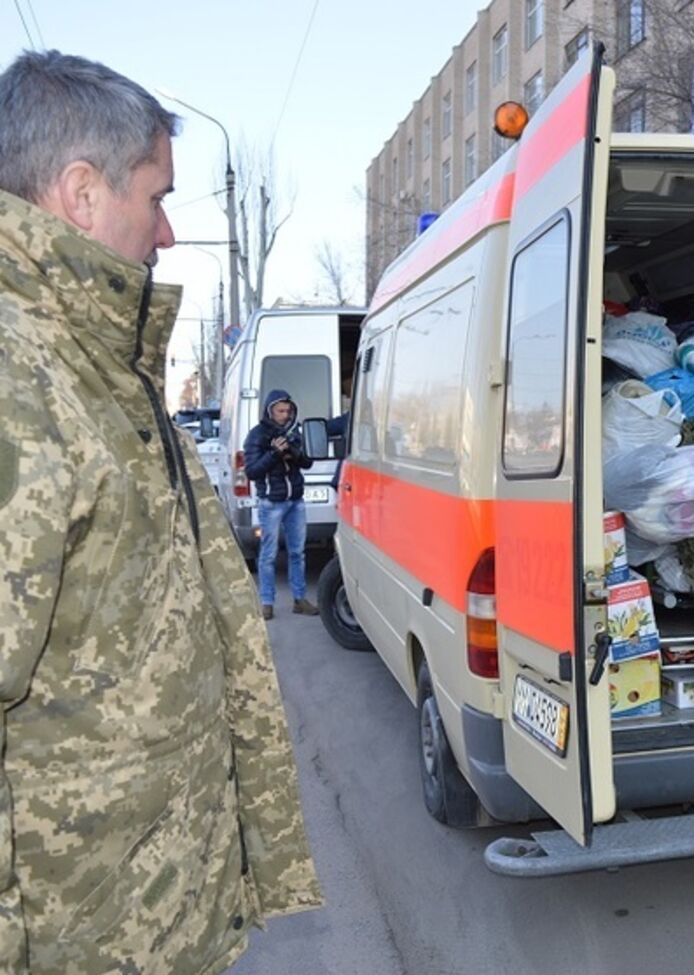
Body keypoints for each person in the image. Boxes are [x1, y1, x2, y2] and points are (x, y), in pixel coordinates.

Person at [0, 51, 320, 974]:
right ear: (82, 193)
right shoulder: (23, 379)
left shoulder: (97, 363)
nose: (171, 230)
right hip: (81, 936)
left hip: (144, 915)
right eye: (158, 195)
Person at [243, 390, 318, 619]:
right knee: (268, 555)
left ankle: (299, 599)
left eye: (288, 411)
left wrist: (292, 452)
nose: (285, 415)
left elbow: (307, 462)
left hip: (295, 501)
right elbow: (252, 471)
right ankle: (267, 603)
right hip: (271, 503)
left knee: (298, 553)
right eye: (280, 411)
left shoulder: (294, 433)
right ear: (270, 411)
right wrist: (275, 453)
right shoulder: (256, 436)